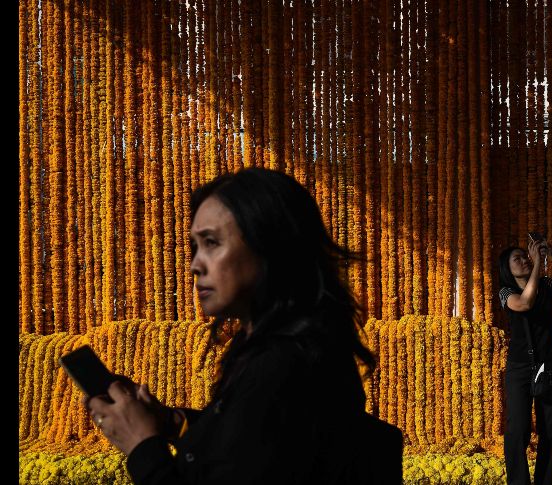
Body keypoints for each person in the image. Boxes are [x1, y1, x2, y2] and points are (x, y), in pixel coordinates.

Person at [84, 167, 403, 484]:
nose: (195, 265)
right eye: (195, 246)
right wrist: (169, 422)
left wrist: (141, 445)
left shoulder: (283, 367)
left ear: (269, 247)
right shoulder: (276, 344)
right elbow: (248, 444)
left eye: (211, 243)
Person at [498, 238, 552, 485]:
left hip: (549, 364)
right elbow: (525, 303)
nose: (524, 260)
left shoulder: (546, 284)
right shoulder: (506, 292)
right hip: (520, 367)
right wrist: (537, 264)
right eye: (518, 259)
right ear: (507, 268)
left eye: (526, 256)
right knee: (518, 429)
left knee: (550, 430)